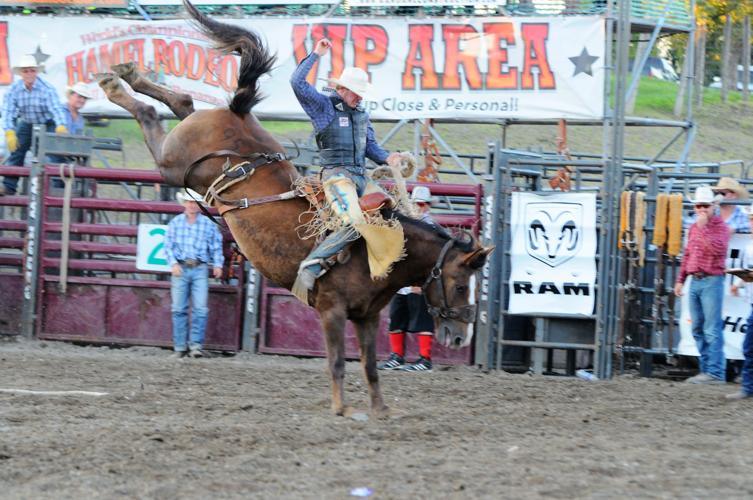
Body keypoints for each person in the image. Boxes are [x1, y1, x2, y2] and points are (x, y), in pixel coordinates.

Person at [289, 38, 403, 293]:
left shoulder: (362, 115)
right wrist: (316, 54)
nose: (360, 97)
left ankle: (368, 270)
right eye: (357, 92)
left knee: (391, 212)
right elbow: (296, 83)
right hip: (336, 176)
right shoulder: (323, 106)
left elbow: (370, 147)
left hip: (361, 176)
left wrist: (388, 158)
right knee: (354, 222)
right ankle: (311, 266)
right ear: (343, 89)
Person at [674, 185, 730, 385]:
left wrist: (704, 227)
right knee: (698, 327)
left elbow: (718, 250)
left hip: (711, 280)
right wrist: (681, 279)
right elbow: (688, 254)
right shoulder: (693, 228)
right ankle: (708, 370)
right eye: (699, 205)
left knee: (711, 328)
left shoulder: (721, 228)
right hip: (696, 280)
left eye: (705, 205)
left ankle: (714, 372)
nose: (701, 209)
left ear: (713, 205)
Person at [379, 186, 437, 372]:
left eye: (421, 204)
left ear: (427, 206)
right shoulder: (408, 225)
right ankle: (397, 356)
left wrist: (420, 281)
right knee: (397, 317)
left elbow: (430, 258)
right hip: (403, 281)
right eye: (416, 204)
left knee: (422, 319)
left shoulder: (430, 228)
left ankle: (424, 359)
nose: (419, 207)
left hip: (419, 281)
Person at [164, 189, 224, 358]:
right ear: (184, 203)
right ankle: (180, 347)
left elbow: (216, 246)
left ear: (199, 205)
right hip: (181, 268)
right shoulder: (175, 223)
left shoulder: (208, 224)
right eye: (189, 202)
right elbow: (168, 246)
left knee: (200, 309)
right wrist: (173, 263)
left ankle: (195, 345)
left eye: (195, 202)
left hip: (200, 268)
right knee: (178, 309)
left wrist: (217, 264)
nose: (191, 205)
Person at [1, 54, 68, 196]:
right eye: (26, 71)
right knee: (16, 151)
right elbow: (7, 111)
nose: (29, 74)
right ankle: (9, 186)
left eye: (32, 70)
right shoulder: (13, 90)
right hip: (27, 122)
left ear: (37, 72)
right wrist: (9, 131)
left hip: (47, 122)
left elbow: (56, 108)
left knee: (54, 154)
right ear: (21, 73)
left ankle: (58, 188)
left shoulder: (47, 88)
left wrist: (61, 125)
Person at [727, 203, 753, 400]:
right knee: (749, 346)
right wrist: (738, 281)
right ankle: (748, 387)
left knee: (749, 346)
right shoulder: (749, 246)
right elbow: (746, 269)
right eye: (751, 219)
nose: (751, 223)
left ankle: (748, 387)